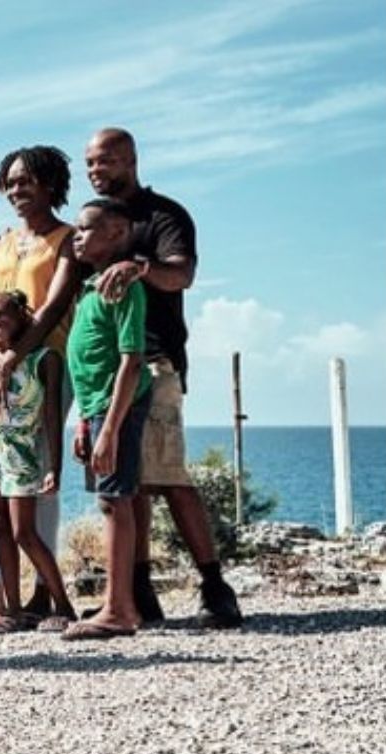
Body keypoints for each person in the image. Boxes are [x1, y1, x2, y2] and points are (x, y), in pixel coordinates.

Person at [83, 128, 242, 628]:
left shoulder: (163, 216)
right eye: (89, 162)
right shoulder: (96, 222)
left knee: (169, 477)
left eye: (104, 160)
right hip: (110, 373)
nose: (95, 170)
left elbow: (182, 275)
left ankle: (216, 588)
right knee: (131, 482)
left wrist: (139, 266)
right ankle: (138, 592)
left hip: (155, 362)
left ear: (130, 159)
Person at [0, 145, 80, 622]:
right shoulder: (5, 242)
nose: (15, 190)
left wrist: (11, 358)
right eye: (9, 182)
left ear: (50, 184)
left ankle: (45, 595)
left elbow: (50, 308)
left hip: (46, 366)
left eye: (25, 181)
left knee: (37, 471)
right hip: (0, 371)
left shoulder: (67, 239)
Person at [62, 199, 153, 640]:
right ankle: (122, 604)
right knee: (110, 499)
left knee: (117, 501)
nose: (76, 236)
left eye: (85, 229)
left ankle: (119, 609)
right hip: (96, 407)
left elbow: (130, 360)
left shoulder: (123, 287)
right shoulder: (92, 287)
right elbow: (85, 365)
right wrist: (84, 423)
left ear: (117, 233)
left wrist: (111, 429)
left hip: (118, 407)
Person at [0, 291, 76, 633]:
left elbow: (53, 416)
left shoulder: (45, 358)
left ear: (22, 313)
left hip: (23, 452)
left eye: (0, 315)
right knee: (1, 529)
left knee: (24, 532)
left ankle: (64, 606)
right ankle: (13, 609)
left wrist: (54, 466)